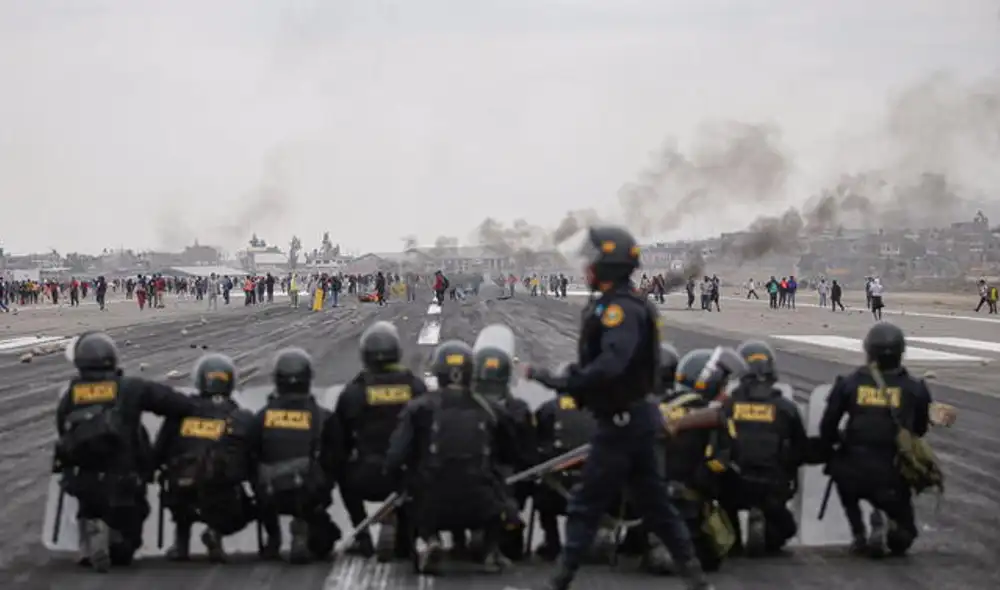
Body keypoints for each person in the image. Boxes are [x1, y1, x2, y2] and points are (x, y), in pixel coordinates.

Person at [523, 225, 713, 590]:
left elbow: (612, 364)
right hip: (637, 419)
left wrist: (559, 382)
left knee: (586, 503)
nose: (586, 267)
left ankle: (558, 581)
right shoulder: (623, 304)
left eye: (592, 261)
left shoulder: (618, 310)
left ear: (607, 266)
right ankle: (697, 580)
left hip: (622, 423)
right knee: (657, 506)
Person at [54, 331, 196, 571]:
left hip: (84, 482)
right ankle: (114, 539)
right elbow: (180, 406)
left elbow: (62, 432)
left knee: (89, 503)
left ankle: (92, 528)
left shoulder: (70, 395)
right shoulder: (131, 388)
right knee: (125, 550)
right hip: (124, 482)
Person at [384, 340, 521, 574]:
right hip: (482, 505)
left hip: (432, 505)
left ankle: (429, 539)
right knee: (498, 482)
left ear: (438, 373)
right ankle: (490, 549)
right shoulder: (491, 410)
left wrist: (401, 485)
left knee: (413, 492)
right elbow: (512, 455)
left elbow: (395, 458)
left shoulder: (419, 408)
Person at [818, 322, 938, 557]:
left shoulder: (849, 384)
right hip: (893, 472)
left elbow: (827, 426)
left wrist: (838, 444)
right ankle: (886, 518)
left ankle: (858, 533)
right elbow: (920, 430)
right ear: (901, 352)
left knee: (841, 475)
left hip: (853, 469)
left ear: (868, 351)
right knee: (902, 540)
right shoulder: (915, 388)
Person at [336, 321, 427, 560]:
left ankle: (362, 537)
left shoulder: (354, 392)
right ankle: (405, 537)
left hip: (366, 476)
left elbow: (338, 443)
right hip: (405, 477)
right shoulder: (415, 386)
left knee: (341, 470)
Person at [154, 353, 255, 562]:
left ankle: (181, 544)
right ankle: (215, 533)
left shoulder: (182, 410)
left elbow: (160, 448)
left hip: (181, 487)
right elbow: (248, 454)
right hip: (220, 491)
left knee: (179, 482)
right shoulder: (235, 414)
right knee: (242, 501)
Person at [248, 348, 342, 564]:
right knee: (325, 543)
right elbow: (336, 460)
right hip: (308, 494)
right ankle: (303, 523)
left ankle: (273, 539)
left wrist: (259, 484)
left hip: (270, 494)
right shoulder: (323, 417)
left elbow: (249, 456)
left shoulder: (262, 416)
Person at [720, 340, 805, 556]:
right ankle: (764, 520)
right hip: (772, 486)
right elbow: (800, 448)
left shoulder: (726, 407)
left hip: (733, 485)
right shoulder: (786, 408)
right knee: (786, 531)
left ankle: (734, 538)